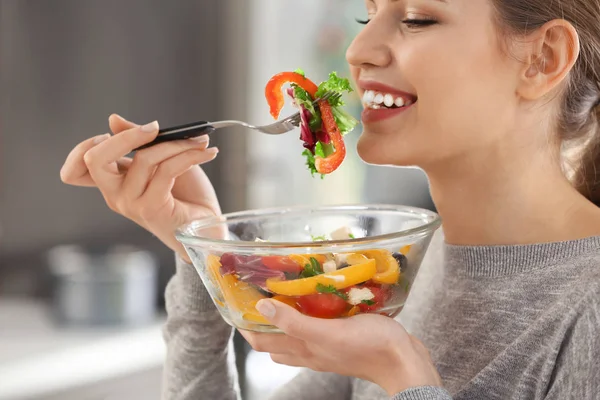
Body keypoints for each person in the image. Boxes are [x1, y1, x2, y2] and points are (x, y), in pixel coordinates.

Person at [60, 0, 600, 399]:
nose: (358, 49)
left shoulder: (588, 306)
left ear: (542, 59)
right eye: (368, 15)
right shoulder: (394, 270)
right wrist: (206, 251)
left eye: (416, 18)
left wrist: (402, 375)